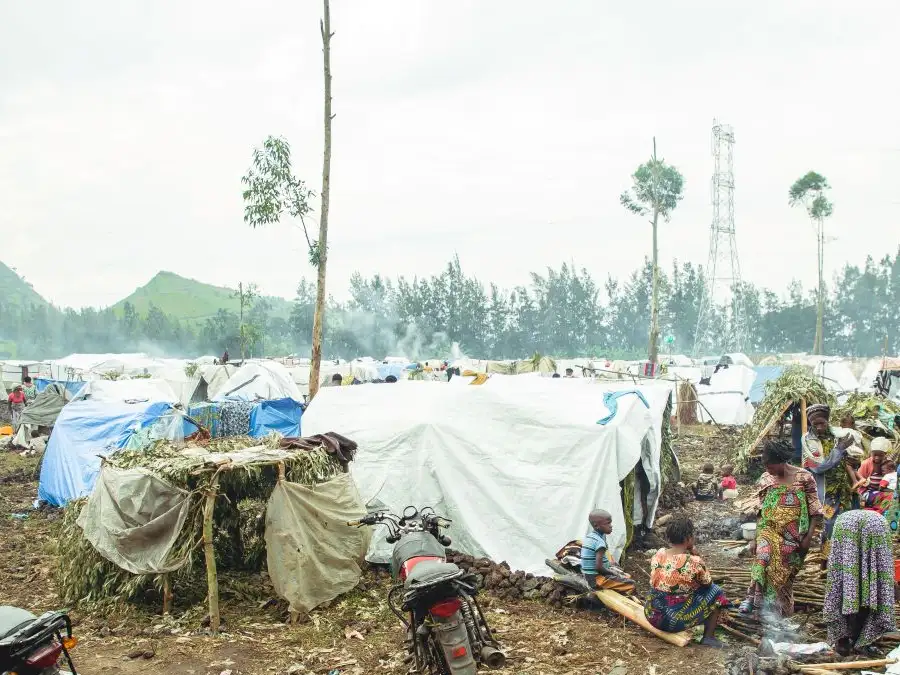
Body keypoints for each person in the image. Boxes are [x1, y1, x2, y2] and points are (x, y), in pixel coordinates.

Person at [740, 439, 823, 618]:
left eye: (770, 465)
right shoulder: (766, 478)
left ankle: (780, 615)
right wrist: (755, 537)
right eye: (766, 465)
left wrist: (808, 537)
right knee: (762, 559)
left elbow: (815, 510)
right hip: (768, 531)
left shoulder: (804, 477)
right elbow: (760, 510)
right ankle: (751, 598)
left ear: (781, 461)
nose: (768, 469)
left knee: (782, 578)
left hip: (794, 537)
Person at [644, 517, 727, 648]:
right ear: (688, 538)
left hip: (651, 614)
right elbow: (708, 584)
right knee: (717, 592)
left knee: (681, 591)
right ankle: (708, 637)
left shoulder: (659, 554)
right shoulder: (693, 561)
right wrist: (696, 555)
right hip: (670, 621)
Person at [823, 510, 896, 655]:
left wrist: (826, 563)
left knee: (843, 584)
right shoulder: (879, 521)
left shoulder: (832, 515)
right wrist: (891, 583)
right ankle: (861, 640)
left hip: (844, 525)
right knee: (870, 586)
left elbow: (825, 543)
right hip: (876, 526)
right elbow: (883, 569)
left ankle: (842, 641)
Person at [802, 403, 862, 556]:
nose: (820, 427)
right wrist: (839, 450)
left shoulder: (838, 435)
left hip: (846, 489)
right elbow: (818, 467)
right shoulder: (808, 441)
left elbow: (851, 457)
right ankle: (827, 559)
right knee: (829, 524)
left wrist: (855, 462)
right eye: (816, 424)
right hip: (826, 492)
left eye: (822, 423)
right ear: (810, 423)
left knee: (850, 521)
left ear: (827, 421)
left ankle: (848, 557)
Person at [580, 510, 635, 593]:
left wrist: (610, 565)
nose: (611, 526)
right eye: (608, 523)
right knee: (632, 584)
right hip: (596, 579)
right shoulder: (600, 543)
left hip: (589, 575)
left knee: (625, 574)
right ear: (596, 526)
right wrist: (613, 573)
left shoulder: (591, 536)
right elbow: (598, 568)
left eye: (610, 523)